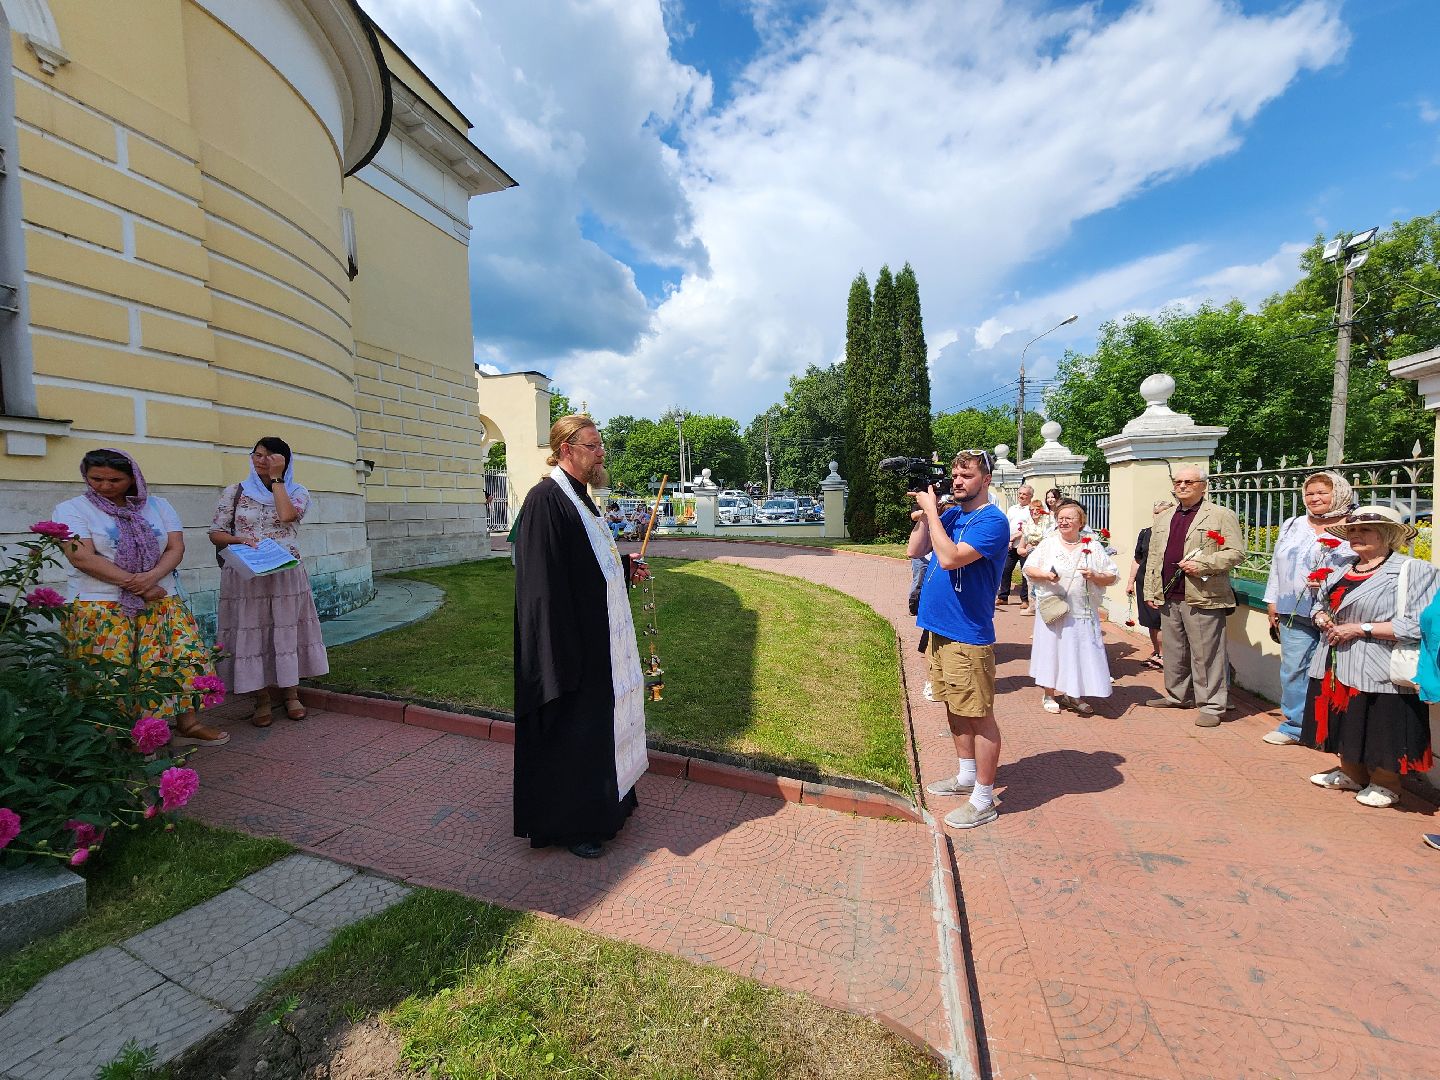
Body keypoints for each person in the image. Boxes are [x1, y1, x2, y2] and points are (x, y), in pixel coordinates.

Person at [512, 416, 651, 858]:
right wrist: (554, 654)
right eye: (592, 446)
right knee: (574, 732)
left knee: (598, 730)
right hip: (569, 644)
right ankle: (574, 825)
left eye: (600, 445)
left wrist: (624, 568)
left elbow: (583, 565)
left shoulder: (582, 501)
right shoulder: (545, 500)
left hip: (596, 635)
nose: (601, 453)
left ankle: (605, 807)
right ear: (567, 449)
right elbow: (540, 584)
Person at [52, 448, 229, 745]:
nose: (105, 486)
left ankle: (188, 724)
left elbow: (175, 548)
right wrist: (140, 585)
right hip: (101, 604)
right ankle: (114, 737)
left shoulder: (158, 506)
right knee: (111, 671)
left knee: (182, 660)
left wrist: (149, 579)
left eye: (114, 480)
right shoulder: (72, 509)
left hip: (162, 598)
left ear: (133, 478)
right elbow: (81, 557)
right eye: (96, 478)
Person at [1302, 507, 1438, 809]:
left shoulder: (1412, 570)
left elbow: (1418, 623)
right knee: (1347, 717)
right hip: (1337, 659)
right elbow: (1319, 604)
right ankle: (1351, 772)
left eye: (1365, 530)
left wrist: (1360, 628)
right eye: (1352, 530)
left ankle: (1386, 783)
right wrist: (1321, 616)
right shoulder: (1342, 568)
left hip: (1380, 662)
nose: (1356, 535)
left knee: (1382, 721)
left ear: (1388, 535)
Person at [909, 450, 1011, 830]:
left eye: (966, 475)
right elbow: (915, 550)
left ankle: (983, 799)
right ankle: (966, 775)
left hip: (968, 635)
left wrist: (932, 512)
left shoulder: (992, 521)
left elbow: (950, 558)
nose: (957, 481)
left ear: (986, 480)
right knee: (954, 705)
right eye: (954, 474)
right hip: (939, 630)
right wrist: (926, 513)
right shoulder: (953, 514)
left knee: (979, 715)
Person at [208, 437, 329, 727]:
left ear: (284, 460)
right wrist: (241, 540)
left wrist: (277, 479)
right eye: (257, 454)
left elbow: (287, 516)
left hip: (285, 572)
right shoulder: (234, 492)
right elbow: (216, 533)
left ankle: (290, 693)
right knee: (252, 630)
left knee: (286, 630)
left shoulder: (297, 492)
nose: (261, 460)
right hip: (246, 574)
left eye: (270, 456)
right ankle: (260, 698)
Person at [1142, 467, 1244, 726]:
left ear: (1203, 486)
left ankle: (1212, 705)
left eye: (1189, 481)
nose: (1182, 486)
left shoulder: (1221, 515)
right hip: (1168, 594)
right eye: (1178, 482)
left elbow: (1235, 552)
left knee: (1206, 653)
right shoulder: (1164, 516)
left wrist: (1205, 564)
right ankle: (1178, 695)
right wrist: (1150, 590)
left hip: (1203, 594)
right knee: (1174, 649)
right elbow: (1154, 556)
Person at [1259, 471, 1356, 745]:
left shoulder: (1353, 525)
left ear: (1338, 493)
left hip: (1337, 611)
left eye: (1322, 492)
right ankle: (1296, 726)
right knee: (1294, 669)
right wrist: (1272, 602)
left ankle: (1336, 729)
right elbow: (1276, 566)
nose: (1315, 498)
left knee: (1336, 670)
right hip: (1293, 608)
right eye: (1310, 493)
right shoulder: (1294, 524)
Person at [1024, 500, 1118, 715]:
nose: (1063, 522)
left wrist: (1094, 575)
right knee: (1051, 649)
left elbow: (1112, 575)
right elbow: (1029, 568)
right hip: (1054, 607)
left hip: (1082, 610)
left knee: (1078, 650)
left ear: (1080, 522)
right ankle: (1049, 693)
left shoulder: (1091, 545)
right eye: (1060, 518)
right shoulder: (1049, 543)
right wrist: (1046, 575)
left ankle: (1073, 694)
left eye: (1069, 518)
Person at [1126, 500, 1173, 670]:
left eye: (1163, 512)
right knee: (1150, 620)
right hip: (1144, 581)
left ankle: (1165, 656)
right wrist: (1130, 581)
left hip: (1165, 582)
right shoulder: (1145, 533)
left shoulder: (1175, 534)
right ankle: (1157, 652)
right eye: (1156, 512)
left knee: (1160, 620)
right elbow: (1137, 559)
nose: (1159, 516)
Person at [996, 485, 1034, 608]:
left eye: (1024, 494)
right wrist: (1008, 540)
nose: (1021, 496)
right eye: (1020, 493)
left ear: (1030, 496)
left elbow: (1030, 528)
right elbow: (1007, 525)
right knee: (1005, 569)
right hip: (1011, 545)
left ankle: (1025, 600)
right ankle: (1003, 597)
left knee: (1025, 572)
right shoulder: (1012, 508)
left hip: (1024, 546)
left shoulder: (1032, 509)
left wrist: (1015, 537)